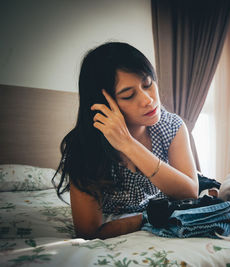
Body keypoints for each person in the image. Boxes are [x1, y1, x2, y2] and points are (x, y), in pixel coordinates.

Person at [53, 42, 198, 240]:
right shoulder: (84, 147)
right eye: (129, 95)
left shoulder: (171, 126)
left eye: (148, 85)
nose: (148, 99)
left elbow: (190, 193)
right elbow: (88, 232)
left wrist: (129, 144)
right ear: (103, 104)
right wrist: (146, 218)